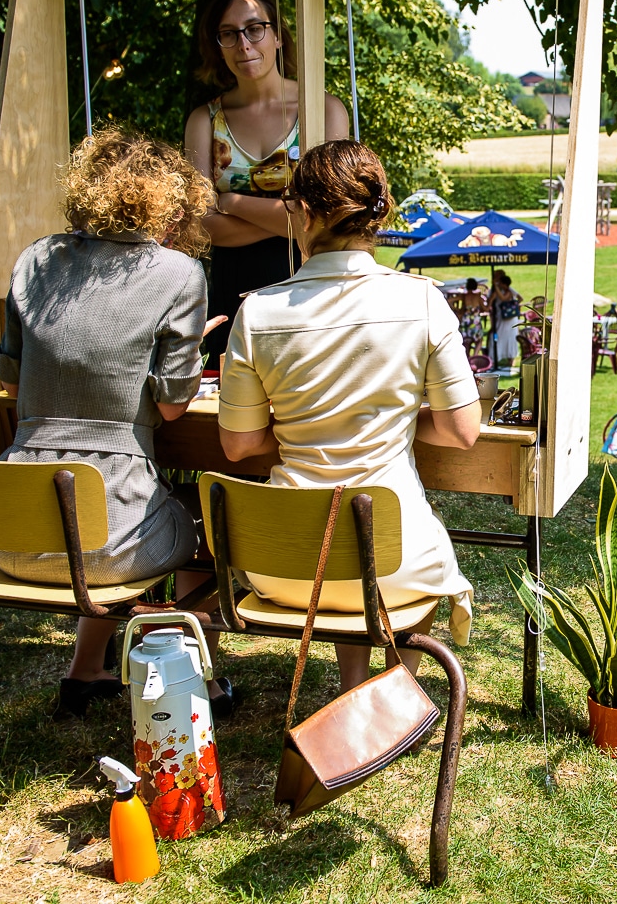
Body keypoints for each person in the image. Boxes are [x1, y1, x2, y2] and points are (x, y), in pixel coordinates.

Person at [217, 139, 480, 691]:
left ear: (304, 213)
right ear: (377, 213)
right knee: (381, 544)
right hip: (395, 560)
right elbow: (462, 430)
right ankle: (395, 691)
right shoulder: (422, 300)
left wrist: (305, 427)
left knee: (343, 540)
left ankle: (355, 688)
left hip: (284, 560)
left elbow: (238, 445)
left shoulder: (256, 311)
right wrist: (396, 420)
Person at [0, 128, 225, 717]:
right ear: (168, 201)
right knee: (203, 513)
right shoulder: (178, 273)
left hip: (14, 534)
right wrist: (185, 352)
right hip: (110, 542)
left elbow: (13, 386)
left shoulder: (35, 259)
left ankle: (85, 670)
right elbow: (172, 406)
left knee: (103, 501)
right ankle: (196, 675)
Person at [184, 0, 350, 359]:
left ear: (277, 36)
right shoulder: (205, 120)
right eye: (229, 33)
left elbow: (329, 218)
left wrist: (231, 202)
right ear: (218, 45)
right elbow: (201, 226)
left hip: (311, 289)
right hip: (232, 294)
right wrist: (294, 218)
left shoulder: (323, 111)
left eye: (255, 28)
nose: (243, 44)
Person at [489, 269, 523, 366]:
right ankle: (495, 357)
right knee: (496, 337)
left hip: (510, 319)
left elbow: (504, 298)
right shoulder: (496, 290)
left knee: (510, 338)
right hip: (501, 318)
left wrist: (513, 305)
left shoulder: (509, 290)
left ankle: (510, 359)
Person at [456, 277, 487, 356]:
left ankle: (467, 358)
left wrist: (456, 309)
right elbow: (485, 309)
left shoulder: (464, 296)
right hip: (475, 321)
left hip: (466, 321)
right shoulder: (477, 296)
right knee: (479, 340)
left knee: (467, 342)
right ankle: (475, 355)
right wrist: (490, 301)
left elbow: (450, 300)